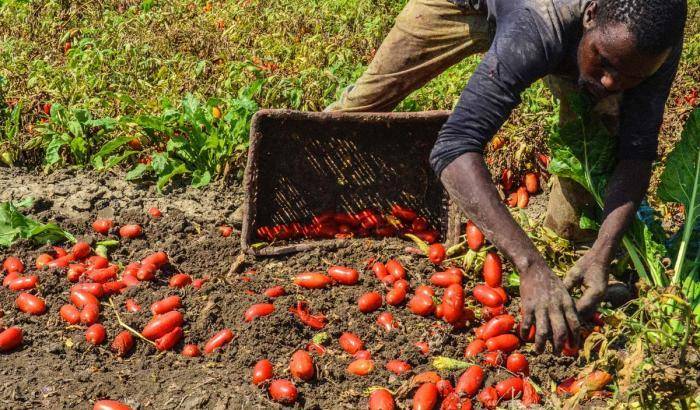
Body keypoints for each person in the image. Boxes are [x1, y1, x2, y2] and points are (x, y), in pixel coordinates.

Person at [325, 0, 688, 353]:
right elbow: (454, 146)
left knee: (593, 140)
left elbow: (636, 153)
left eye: (631, 75)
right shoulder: (542, 23)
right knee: (366, 103)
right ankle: (320, 180)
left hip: (573, 37)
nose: (610, 82)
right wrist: (528, 264)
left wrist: (602, 253)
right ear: (590, 15)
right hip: (470, 6)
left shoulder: (652, 40)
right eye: (604, 63)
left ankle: (572, 254)